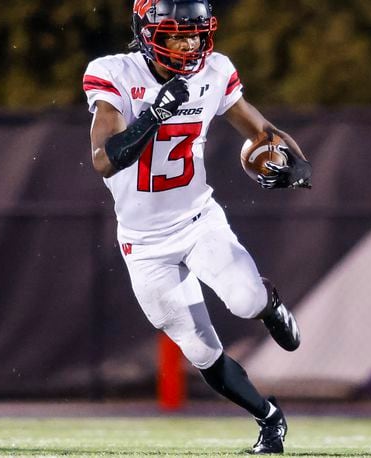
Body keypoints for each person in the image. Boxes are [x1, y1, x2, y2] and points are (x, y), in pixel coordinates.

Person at [84, 1, 310, 454]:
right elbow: (104, 159)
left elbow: (262, 129)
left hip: (198, 221)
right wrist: (152, 116)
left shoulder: (215, 71)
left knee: (245, 301)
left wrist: (298, 165)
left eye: (195, 33)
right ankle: (268, 418)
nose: (188, 44)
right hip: (144, 244)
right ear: (147, 34)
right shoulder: (116, 74)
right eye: (174, 34)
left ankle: (269, 305)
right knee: (200, 350)